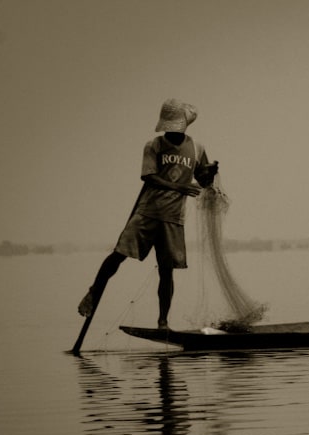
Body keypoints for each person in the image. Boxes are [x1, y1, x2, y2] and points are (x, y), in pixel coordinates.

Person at [77, 99, 218, 329]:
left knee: (166, 271)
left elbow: (202, 181)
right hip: (147, 213)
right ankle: (94, 292)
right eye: (168, 129)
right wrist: (180, 187)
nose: (171, 133)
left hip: (173, 218)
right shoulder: (154, 145)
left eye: (176, 128)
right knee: (118, 255)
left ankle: (163, 322)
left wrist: (210, 173)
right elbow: (148, 177)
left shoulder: (197, 148)